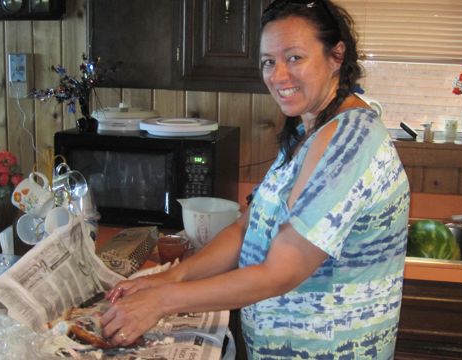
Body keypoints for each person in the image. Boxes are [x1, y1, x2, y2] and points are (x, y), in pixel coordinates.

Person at [101, 0, 410, 358]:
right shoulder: (307, 130)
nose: (278, 76)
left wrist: (162, 300)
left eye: (294, 57)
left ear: (336, 56)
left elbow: (282, 272)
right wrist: (170, 277)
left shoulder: (349, 139)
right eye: (268, 62)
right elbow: (246, 228)